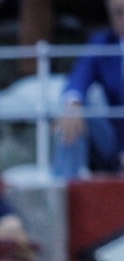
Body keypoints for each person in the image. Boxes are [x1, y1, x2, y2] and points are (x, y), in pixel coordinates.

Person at [52, 0, 124, 178]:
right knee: (72, 114)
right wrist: (74, 103)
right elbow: (79, 77)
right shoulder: (103, 43)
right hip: (114, 140)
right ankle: (62, 191)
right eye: (120, 13)